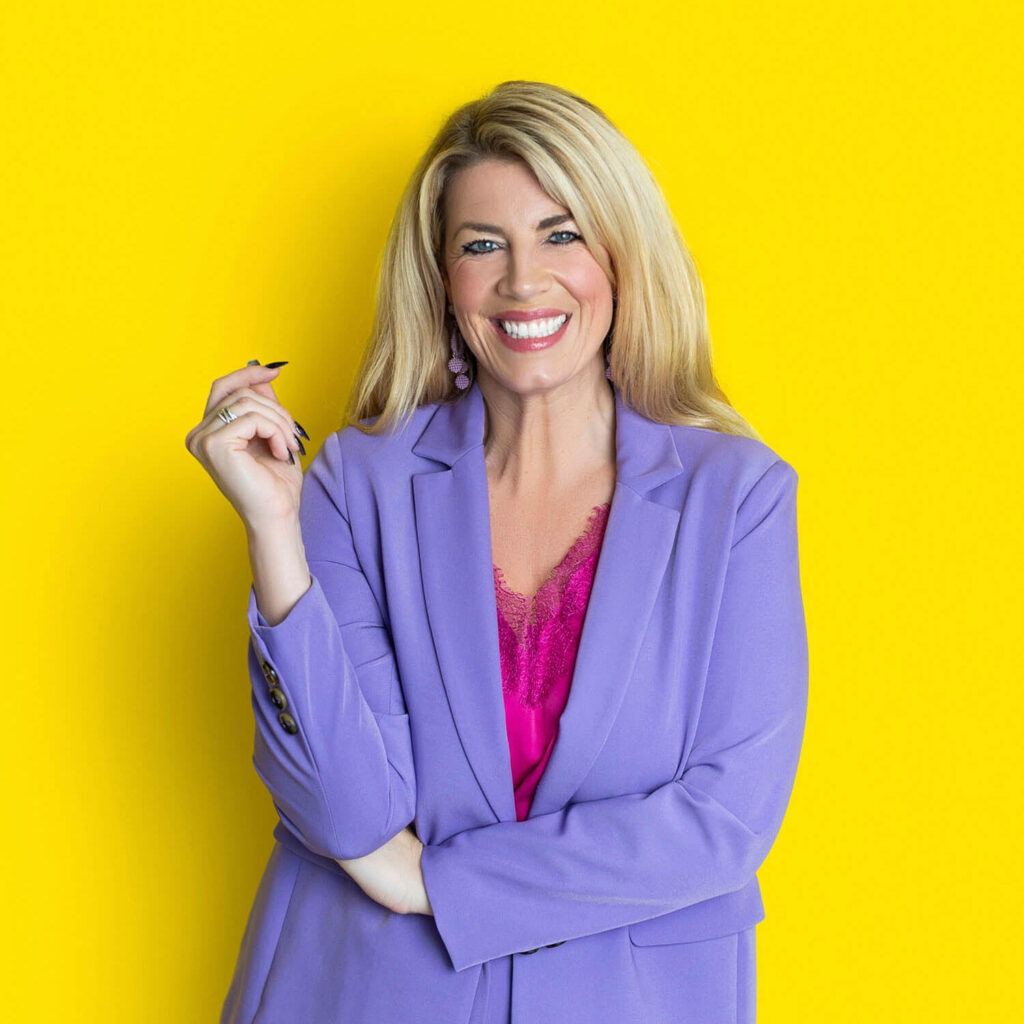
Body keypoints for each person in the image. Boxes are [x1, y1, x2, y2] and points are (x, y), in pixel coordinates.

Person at [186, 79, 808, 1024]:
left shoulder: (738, 499)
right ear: (443, 280)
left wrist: (428, 881)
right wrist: (276, 529)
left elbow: (722, 822)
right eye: (484, 245)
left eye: (562, 233)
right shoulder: (360, 484)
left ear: (620, 254)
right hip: (367, 995)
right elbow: (349, 809)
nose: (524, 281)